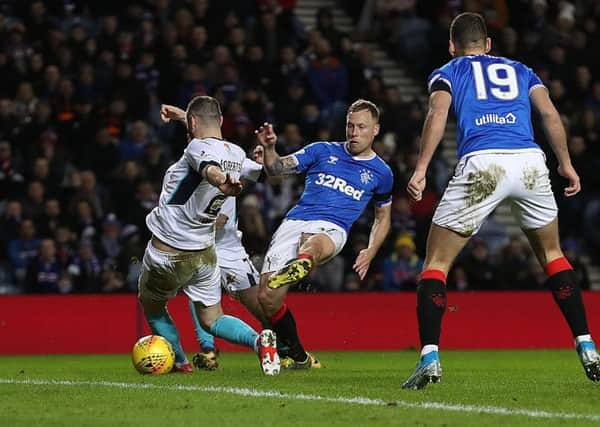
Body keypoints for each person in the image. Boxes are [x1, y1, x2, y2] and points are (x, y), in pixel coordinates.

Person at [402, 12, 600, 390]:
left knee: (437, 262)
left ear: (451, 45)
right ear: (488, 44)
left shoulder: (449, 70)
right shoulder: (521, 69)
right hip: (529, 162)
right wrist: (566, 164)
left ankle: (429, 356)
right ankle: (587, 345)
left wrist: (422, 167)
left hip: (483, 163)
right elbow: (549, 113)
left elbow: (437, 113)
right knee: (554, 255)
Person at [138, 95, 279, 375]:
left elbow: (208, 167)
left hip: (168, 251)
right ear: (222, 122)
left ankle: (179, 362)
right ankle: (258, 342)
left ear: (193, 124)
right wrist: (268, 152)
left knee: (151, 304)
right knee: (213, 319)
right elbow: (268, 174)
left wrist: (221, 182)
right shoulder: (237, 154)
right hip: (205, 253)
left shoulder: (195, 148)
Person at [254, 99, 394, 368]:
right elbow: (276, 169)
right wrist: (271, 148)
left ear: (375, 129)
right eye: (350, 126)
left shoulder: (382, 173)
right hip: (294, 222)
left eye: (361, 127)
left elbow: (383, 217)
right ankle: (299, 357)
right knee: (267, 298)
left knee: (313, 244)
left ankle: (304, 261)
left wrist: (371, 249)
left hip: (333, 228)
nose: (354, 132)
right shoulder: (321, 151)